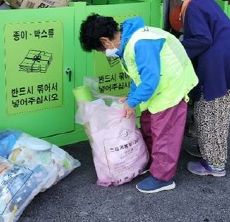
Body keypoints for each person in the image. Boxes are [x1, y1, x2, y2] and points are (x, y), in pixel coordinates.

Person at [79, 14, 198, 193]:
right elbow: (138, 75)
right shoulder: (130, 41)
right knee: (148, 125)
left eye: (101, 50)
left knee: (164, 134)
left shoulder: (141, 42)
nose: (105, 53)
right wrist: (131, 97)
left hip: (171, 88)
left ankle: (163, 178)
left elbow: (149, 79)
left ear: (104, 41)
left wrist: (133, 102)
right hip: (160, 86)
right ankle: (153, 162)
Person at [171, 0, 230, 177]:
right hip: (224, 59)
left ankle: (215, 163)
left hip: (216, 64)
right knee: (212, 109)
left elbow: (202, 39)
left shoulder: (193, 6)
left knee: (211, 113)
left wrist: (174, 49)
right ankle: (207, 149)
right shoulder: (204, 1)